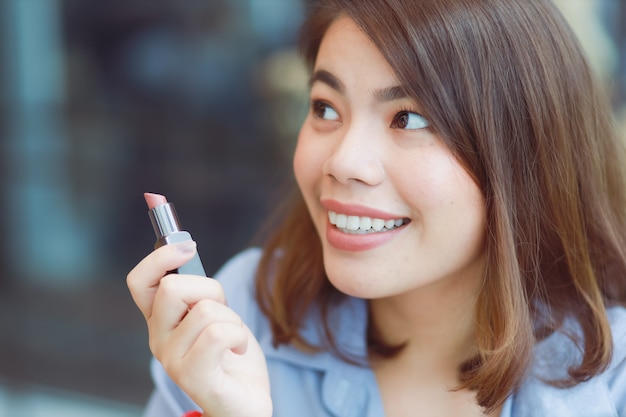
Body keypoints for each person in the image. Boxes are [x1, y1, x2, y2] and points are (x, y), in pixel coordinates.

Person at [126, 0, 626, 416]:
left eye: (408, 118)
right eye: (325, 108)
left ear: (524, 155)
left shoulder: (614, 377)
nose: (344, 162)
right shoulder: (239, 314)